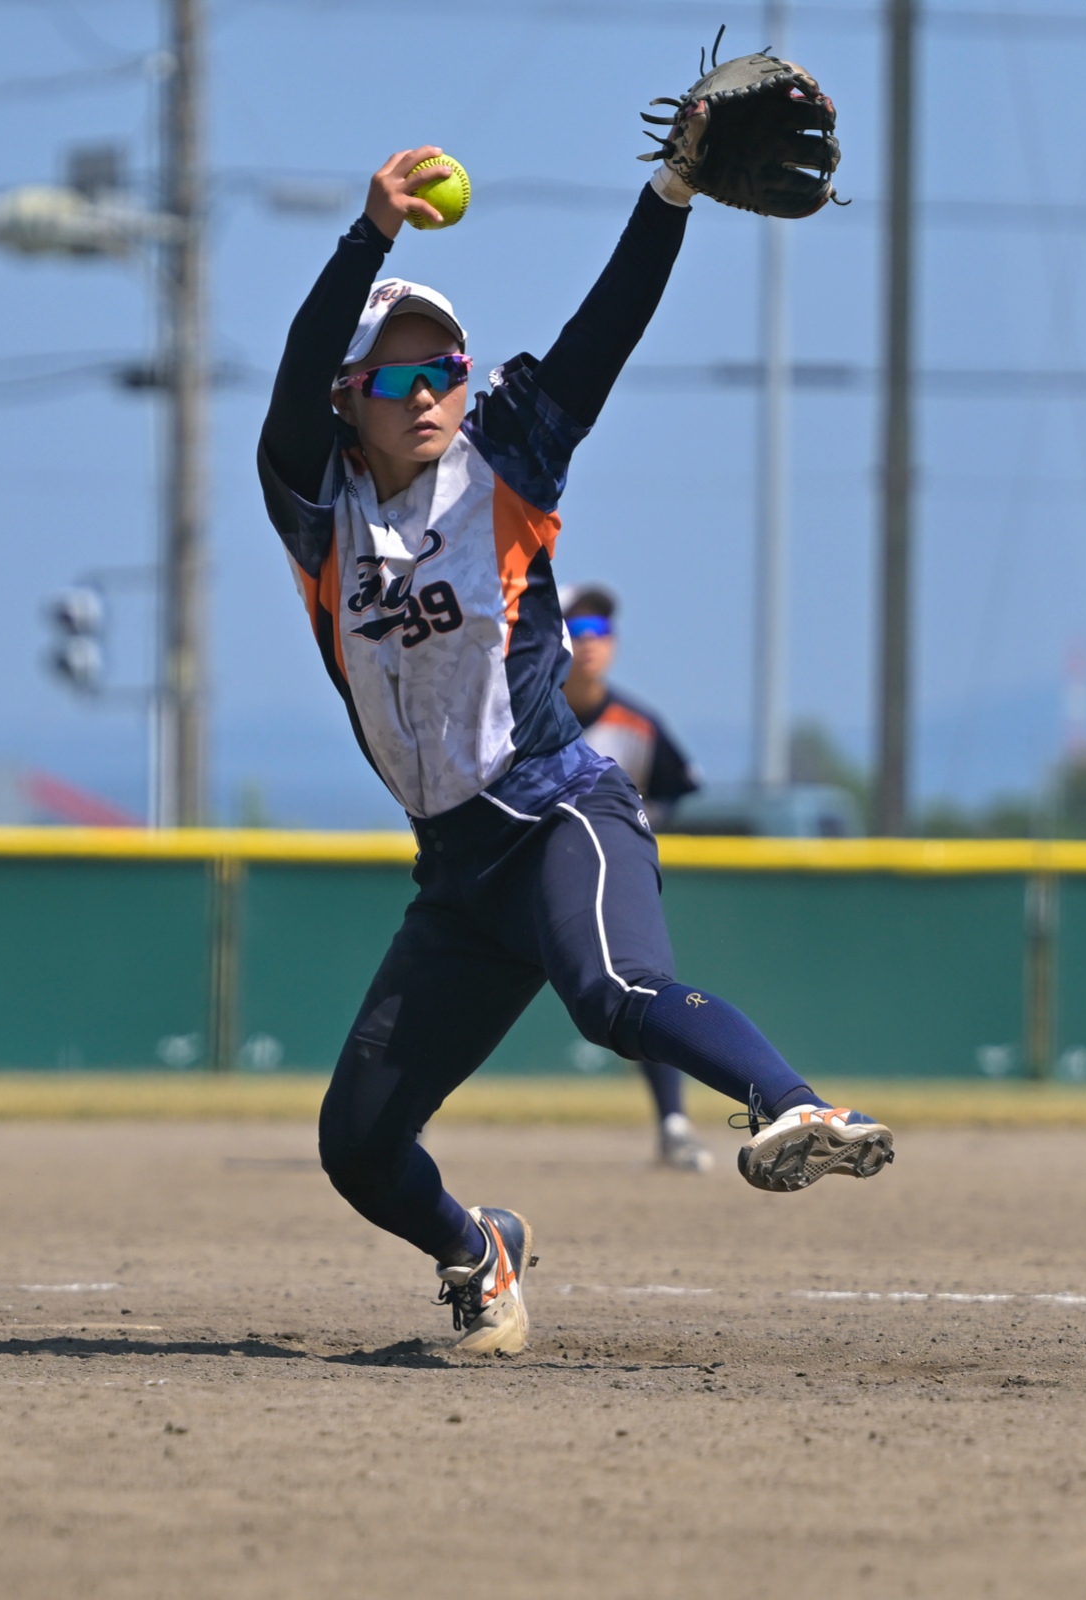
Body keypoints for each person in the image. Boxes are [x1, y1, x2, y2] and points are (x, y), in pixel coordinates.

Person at [253, 139, 894, 1357]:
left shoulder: (503, 458)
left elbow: (603, 333)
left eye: (444, 370)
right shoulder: (316, 508)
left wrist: (670, 196)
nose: (428, 395)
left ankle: (798, 1106)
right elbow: (290, 382)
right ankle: (476, 1248)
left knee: (614, 993)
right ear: (348, 398)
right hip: (455, 875)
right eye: (397, 378)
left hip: (558, 810)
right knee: (357, 1144)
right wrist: (369, 237)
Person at [559, 583, 710, 1172]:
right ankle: (406, 1122)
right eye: (576, 629)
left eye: (600, 630)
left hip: (604, 882)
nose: (590, 642)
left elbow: (678, 788)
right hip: (528, 879)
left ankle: (674, 1125)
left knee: (643, 990)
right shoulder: (519, 716)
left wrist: (636, 830)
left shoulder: (636, 725)